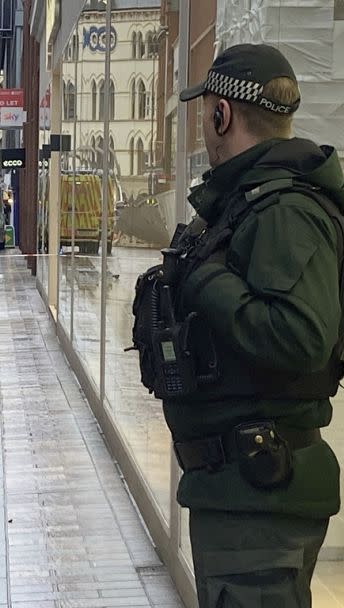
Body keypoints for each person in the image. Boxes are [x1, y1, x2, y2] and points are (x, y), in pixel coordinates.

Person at [132, 44, 343, 606]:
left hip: (260, 502)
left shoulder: (285, 211)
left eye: (204, 112)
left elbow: (300, 335)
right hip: (237, 493)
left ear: (221, 113)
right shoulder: (245, 204)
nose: (204, 126)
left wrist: (205, 280)